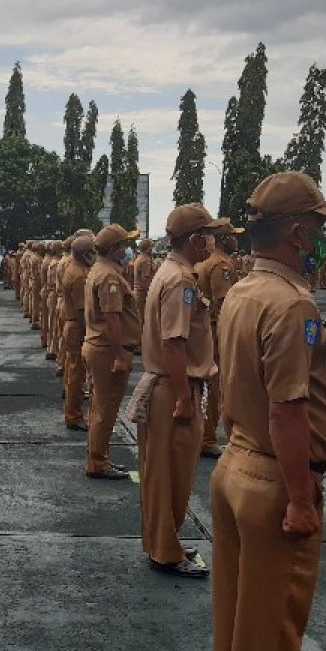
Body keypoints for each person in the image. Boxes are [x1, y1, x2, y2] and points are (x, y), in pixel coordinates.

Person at [210, 171, 326, 651]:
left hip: (236, 467)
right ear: (296, 231)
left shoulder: (243, 291)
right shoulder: (293, 305)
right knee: (270, 629)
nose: (323, 237)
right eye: (319, 227)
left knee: (238, 622)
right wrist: (299, 497)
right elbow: (289, 408)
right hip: (273, 479)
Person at [134, 204, 225, 580]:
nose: (213, 241)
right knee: (171, 475)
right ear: (194, 239)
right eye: (208, 234)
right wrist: (185, 398)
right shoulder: (182, 280)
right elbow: (175, 342)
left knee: (161, 475)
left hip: (166, 384)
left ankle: (162, 541)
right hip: (173, 386)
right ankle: (166, 552)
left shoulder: (170, 271)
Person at [83, 223, 141, 480]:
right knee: (105, 409)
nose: (128, 249)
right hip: (108, 349)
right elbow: (113, 319)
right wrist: (119, 356)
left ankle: (98, 457)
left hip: (100, 346)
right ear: (115, 248)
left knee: (100, 407)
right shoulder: (109, 276)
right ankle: (98, 462)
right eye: (125, 245)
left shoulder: (101, 269)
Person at [196, 221, 244, 458]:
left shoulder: (210, 262)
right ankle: (208, 438)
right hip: (217, 331)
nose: (237, 240)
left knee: (211, 385)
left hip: (209, 329)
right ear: (224, 239)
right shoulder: (221, 264)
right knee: (215, 388)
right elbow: (223, 303)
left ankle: (206, 436)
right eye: (233, 236)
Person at [60, 233, 94, 431]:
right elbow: (83, 310)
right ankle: (74, 415)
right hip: (77, 325)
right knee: (77, 373)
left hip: (71, 323)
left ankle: (72, 411)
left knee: (72, 369)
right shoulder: (80, 274)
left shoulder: (74, 268)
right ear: (85, 254)